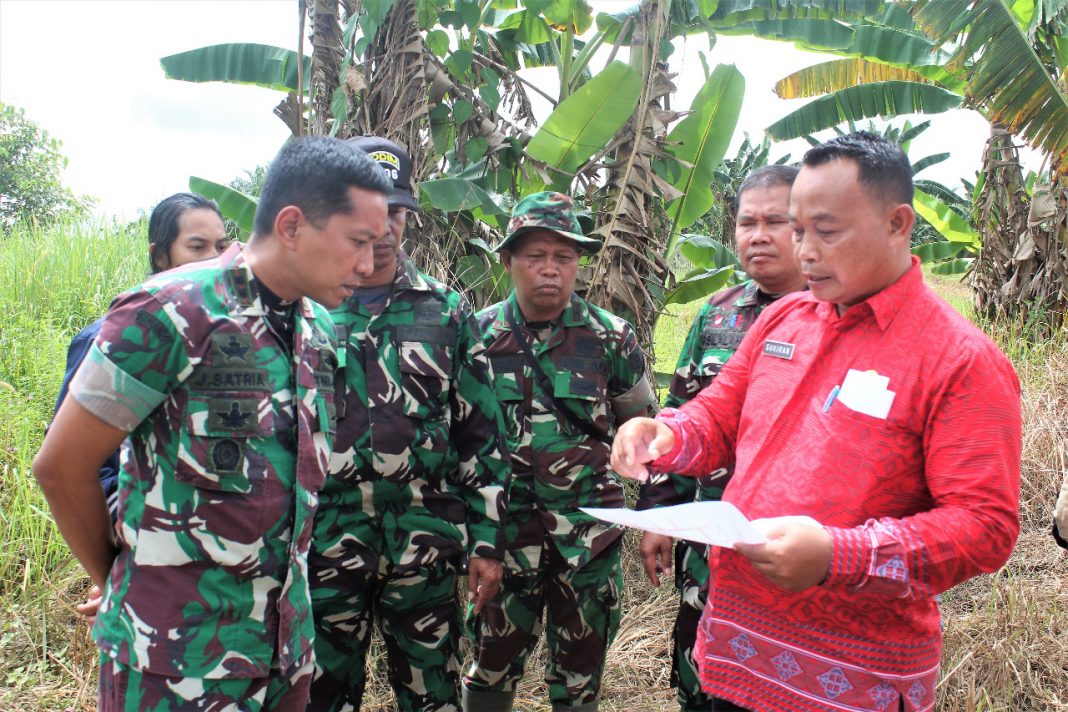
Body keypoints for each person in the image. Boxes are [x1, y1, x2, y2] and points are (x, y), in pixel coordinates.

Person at [612, 132, 1022, 712]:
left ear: (898, 223)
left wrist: (839, 554)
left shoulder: (959, 360)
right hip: (735, 652)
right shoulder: (784, 320)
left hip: (854, 676)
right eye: (798, 230)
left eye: (826, 231)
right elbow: (719, 418)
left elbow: (985, 526)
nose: (804, 252)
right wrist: (667, 434)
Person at [32, 136, 391, 712]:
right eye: (358, 242)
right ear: (293, 225)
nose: (369, 264)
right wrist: (125, 579)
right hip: (176, 663)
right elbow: (61, 467)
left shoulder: (318, 330)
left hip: (284, 654)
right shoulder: (169, 311)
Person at [308, 136, 509, 712]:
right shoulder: (307, 309)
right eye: (372, 210)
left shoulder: (445, 312)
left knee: (432, 698)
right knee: (318, 696)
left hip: (424, 547)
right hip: (326, 544)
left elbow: (480, 435)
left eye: (397, 211)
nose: (385, 226)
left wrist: (488, 541)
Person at [462, 192, 656, 712]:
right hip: (503, 541)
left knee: (580, 677)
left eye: (563, 257)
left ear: (578, 264)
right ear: (507, 261)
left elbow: (643, 431)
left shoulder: (611, 338)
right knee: (489, 669)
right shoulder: (476, 337)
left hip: (586, 543)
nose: (550, 269)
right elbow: (457, 439)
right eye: (535, 256)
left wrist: (654, 510)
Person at [636, 165, 804, 712]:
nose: (758, 235)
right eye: (745, 222)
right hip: (711, 532)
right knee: (702, 667)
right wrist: (659, 512)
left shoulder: (839, 312)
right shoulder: (718, 315)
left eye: (774, 221)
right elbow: (681, 410)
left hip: (796, 542)